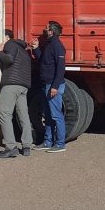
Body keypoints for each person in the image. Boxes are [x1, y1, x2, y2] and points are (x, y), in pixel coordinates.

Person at [0, 29, 33, 158]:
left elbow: (9, 59)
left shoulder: (10, 44)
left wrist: (0, 52)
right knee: (23, 116)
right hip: (23, 86)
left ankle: (10, 147)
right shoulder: (24, 51)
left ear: (7, 37)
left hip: (11, 84)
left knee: (4, 114)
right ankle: (27, 145)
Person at [31, 21, 67, 153]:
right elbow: (43, 62)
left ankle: (60, 144)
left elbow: (60, 68)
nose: (44, 29)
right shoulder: (48, 44)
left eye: (46, 28)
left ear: (51, 31)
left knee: (56, 115)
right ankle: (47, 142)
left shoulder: (57, 46)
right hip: (46, 84)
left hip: (52, 86)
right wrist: (36, 48)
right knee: (48, 114)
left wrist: (55, 86)